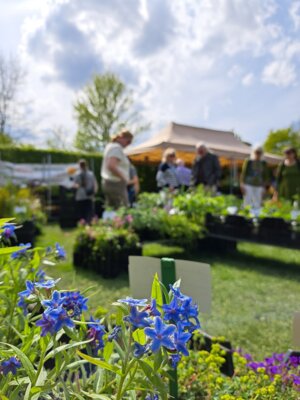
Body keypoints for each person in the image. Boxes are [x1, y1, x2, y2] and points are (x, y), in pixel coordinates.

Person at [101, 129, 133, 209]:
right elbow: (111, 166)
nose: (128, 145)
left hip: (110, 183)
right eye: (128, 141)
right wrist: (124, 178)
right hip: (116, 184)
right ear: (121, 137)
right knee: (123, 210)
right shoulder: (116, 148)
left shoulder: (111, 146)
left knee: (112, 211)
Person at [74, 159, 98, 224]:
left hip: (80, 196)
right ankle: (89, 224)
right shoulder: (91, 174)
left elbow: (75, 185)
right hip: (89, 195)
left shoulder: (77, 174)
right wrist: (94, 192)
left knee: (81, 213)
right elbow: (95, 184)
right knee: (89, 212)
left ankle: (83, 225)